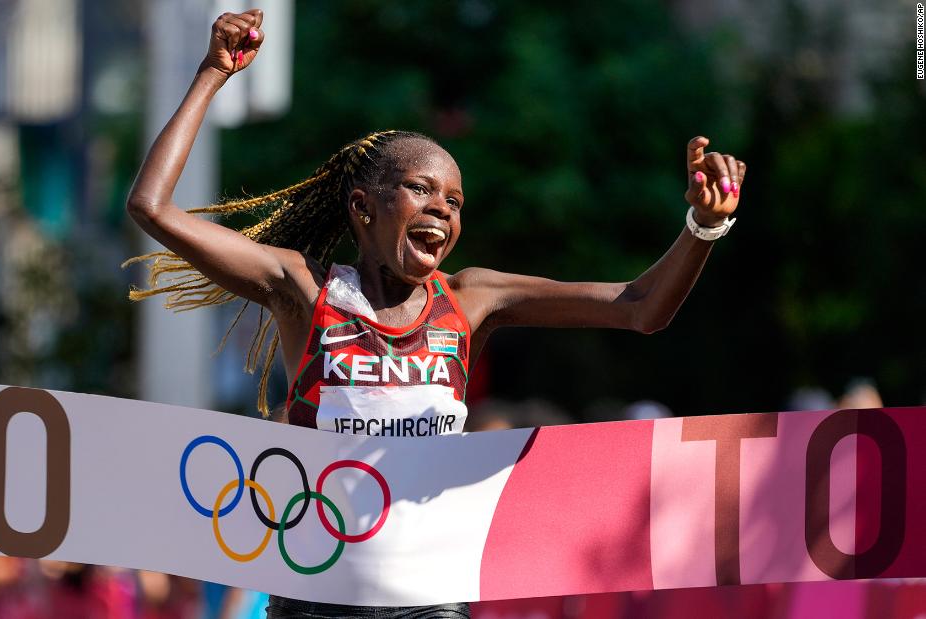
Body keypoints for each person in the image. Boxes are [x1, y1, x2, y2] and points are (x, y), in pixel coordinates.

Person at [124, 8, 746, 618]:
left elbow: (641, 309)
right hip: (314, 598)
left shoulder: (472, 298)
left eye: (455, 201)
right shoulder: (302, 287)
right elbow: (153, 207)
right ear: (364, 207)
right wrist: (211, 72)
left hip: (429, 600)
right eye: (423, 189)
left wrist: (704, 227)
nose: (444, 210)